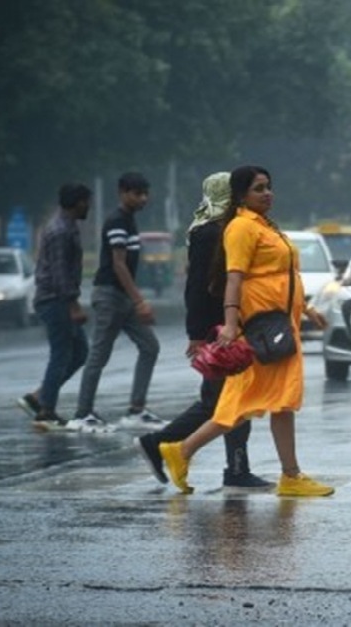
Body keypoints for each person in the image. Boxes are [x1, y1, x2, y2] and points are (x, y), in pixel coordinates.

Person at [158, 165, 335, 497]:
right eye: (258, 188)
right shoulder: (240, 227)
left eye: (269, 187)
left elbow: (283, 276)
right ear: (240, 195)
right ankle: (180, 451)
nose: (267, 193)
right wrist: (229, 323)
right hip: (259, 331)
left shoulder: (265, 226)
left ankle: (291, 476)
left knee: (280, 402)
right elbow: (234, 279)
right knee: (239, 405)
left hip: (281, 326)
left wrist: (307, 309)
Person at [133, 172, 273, 491]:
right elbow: (196, 287)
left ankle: (237, 468)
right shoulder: (209, 232)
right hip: (218, 327)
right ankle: (159, 444)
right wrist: (197, 334)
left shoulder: (231, 226)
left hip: (232, 323)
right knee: (219, 403)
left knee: (233, 399)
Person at [69, 172, 163, 433]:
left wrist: (134, 300)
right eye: (137, 193)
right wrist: (140, 301)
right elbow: (118, 265)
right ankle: (82, 413)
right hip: (110, 295)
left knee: (150, 346)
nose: (142, 198)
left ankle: (136, 409)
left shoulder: (129, 221)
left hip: (122, 297)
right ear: (122, 193)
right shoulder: (117, 221)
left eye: (145, 193)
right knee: (99, 355)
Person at [19, 183, 92, 430]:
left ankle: (40, 397)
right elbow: (60, 273)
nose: (89, 206)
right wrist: (73, 305)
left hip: (57, 299)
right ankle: (46, 411)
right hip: (55, 300)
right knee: (61, 354)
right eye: (86, 201)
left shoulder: (67, 226)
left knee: (79, 352)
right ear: (77, 202)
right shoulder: (60, 230)